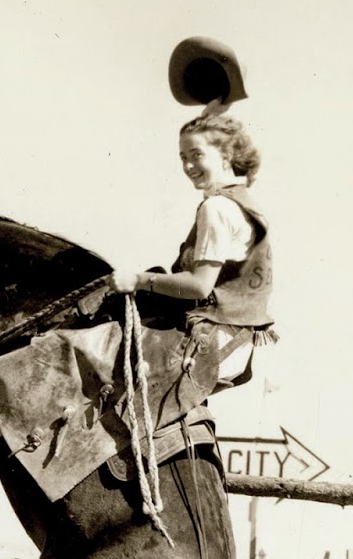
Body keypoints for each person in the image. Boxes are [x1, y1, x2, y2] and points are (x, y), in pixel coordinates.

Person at [110, 110, 275, 377]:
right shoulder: (244, 201)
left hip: (208, 342)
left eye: (196, 155)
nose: (188, 166)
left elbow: (200, 286)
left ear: (226, 156)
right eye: (183, 157)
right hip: (234, 341)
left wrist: (138, 280)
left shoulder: (217, 208)